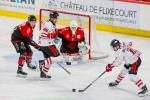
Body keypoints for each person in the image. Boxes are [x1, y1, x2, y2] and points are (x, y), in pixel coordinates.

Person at [38, 12, 63, 79]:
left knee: (48, 60)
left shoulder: (51, 24)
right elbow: (42, 35)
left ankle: (43, 74)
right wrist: (53, 36)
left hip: (45, 44)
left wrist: (55, 37)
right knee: (56, 58)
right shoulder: (48, 24)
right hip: (46, 45)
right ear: (52, 18)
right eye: (55, 18)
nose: (56, 19)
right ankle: (42, 62)